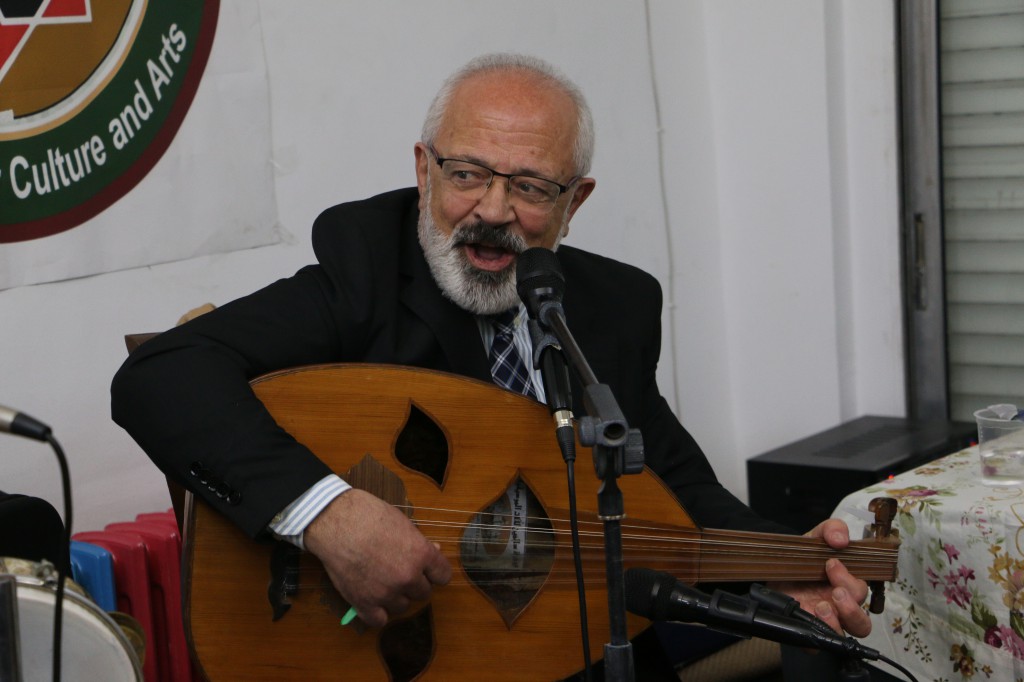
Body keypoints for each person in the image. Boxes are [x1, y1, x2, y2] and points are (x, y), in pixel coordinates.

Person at [111, 52, 870, 678]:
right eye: (467, 173)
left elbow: (671, 484)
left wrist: (782, 565)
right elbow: (163, 376)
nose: (494, 210)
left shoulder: (614, 305)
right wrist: (327, 515)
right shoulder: (365, 271)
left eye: (530, 187)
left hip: (578, 649)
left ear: (575, 202)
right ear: (423, 170)